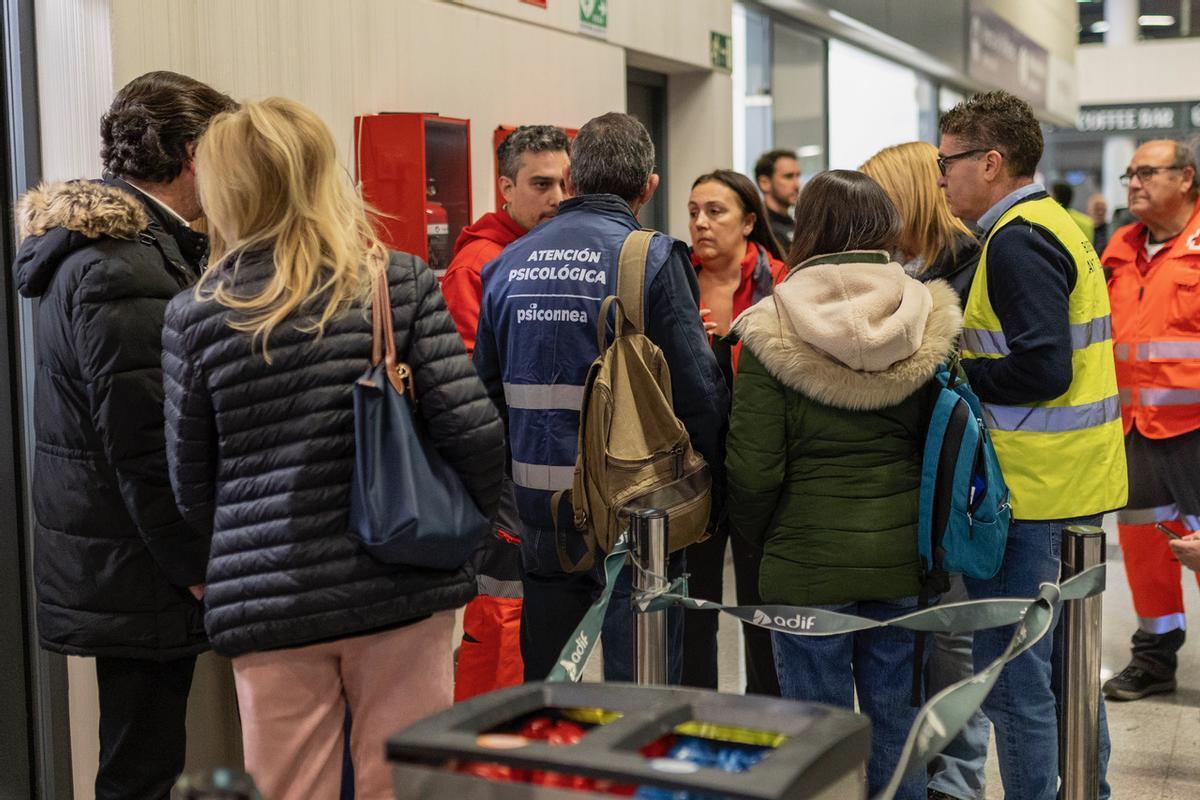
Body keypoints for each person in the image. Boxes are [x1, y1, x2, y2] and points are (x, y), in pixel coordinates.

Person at [161, 98, 505, 800]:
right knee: (406, 787)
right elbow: (473, 430)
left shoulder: (194, 314)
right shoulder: (395, 282)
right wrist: (462, 542)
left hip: (270, 595)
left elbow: (191, 484)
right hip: (402, 577)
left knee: (289, 789)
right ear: (323, 175)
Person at [12, 71, 234, 800]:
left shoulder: (132, 248)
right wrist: (195, 565)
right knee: (140, 768)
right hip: (140, 561)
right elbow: (144, 443)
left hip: (124, 553)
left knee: (141, 757)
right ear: (195, 153)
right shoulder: (122, 264)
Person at [727, 169, 963, 800]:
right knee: (896, 723)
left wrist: (765, 538)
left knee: (817, 734)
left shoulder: (771, 326)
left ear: (809, 229)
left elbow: (753, 469)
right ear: (884, 227)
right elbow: (940, 447)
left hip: (804, 565)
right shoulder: (926, 315)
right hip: (900, 559)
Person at [473, 112, 727, 682]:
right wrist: (712, 503)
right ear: (650, 187)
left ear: (573, 180)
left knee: (551, 686)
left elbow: (484, 400)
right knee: (640, 686)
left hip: (540, 514)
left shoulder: (506, 264)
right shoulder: (652, 259)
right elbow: (701, 394)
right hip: (638, 516)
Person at [937, 90, 1127, 800]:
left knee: (1016, 680)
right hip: (1067, 481)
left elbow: (1045, 368)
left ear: (990, 163)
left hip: (1034, 492)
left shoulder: (1017, 240)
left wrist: (957, 371)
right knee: (1066, 670)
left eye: (947, 162)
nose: (941, 178)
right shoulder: (1052, 224)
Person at [860, 140, 988, 800]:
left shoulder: (964, 267)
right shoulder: (909, 268)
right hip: (918, 484)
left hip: (956, 483)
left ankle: (958, 782)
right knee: (930, 642)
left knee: (952, 640)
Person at [441, 124, 570, 702]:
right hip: (502, 478)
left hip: (545, 473)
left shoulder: (546, 256)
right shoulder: (479, 266)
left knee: (537, 625)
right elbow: (471, 390)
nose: (557, 198)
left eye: (564, 183)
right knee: (501, 618)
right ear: (506, 189)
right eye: (541, 184)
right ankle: (486, 741)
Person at [1099, 139, 1200, 702]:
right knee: (1144, 549)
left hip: (1196, 431)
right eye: (1129, 175)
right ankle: (1155, 658)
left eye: (1146, 173)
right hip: (1136, 430)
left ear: (1186, 178)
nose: (1134, 183)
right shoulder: (1119, 247)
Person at [682, 169, 785, 696]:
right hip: (691, 469)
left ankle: (765, 719)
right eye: (693, 212)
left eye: (715, 211)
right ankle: (694, 719)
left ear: (748, 221)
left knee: (763, 609)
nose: (700, 223)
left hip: (760, 468)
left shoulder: (782, 282)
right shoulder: (674, 282)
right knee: (690, 611)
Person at [754, 149, 801, 247]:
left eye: (798, 176)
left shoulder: (796, 224)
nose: (797, 185)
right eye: (788, 176)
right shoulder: (758, 227)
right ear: (764, 183)